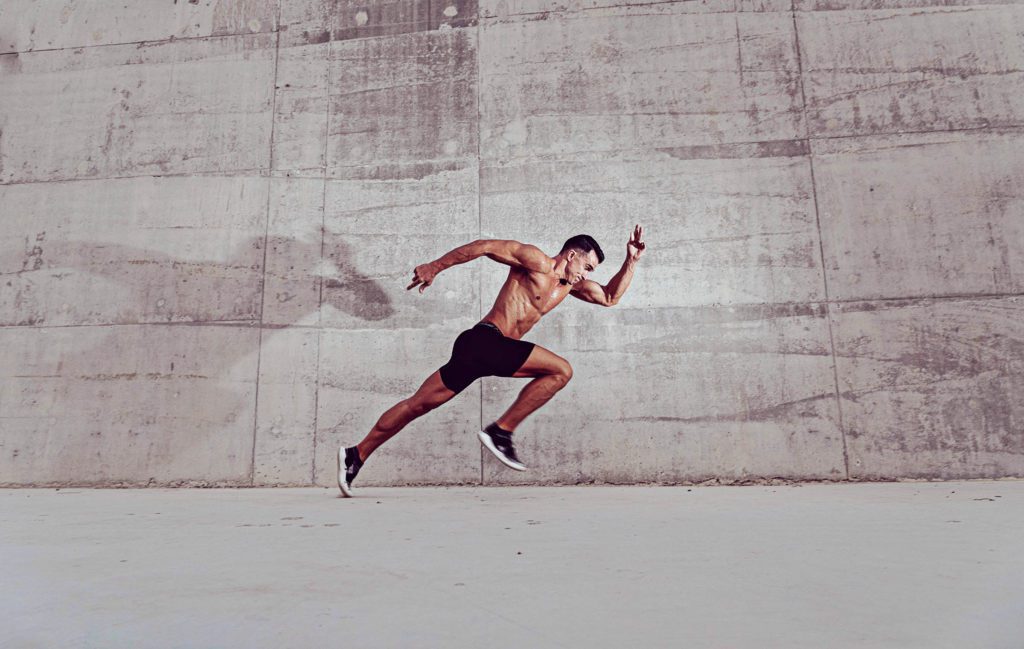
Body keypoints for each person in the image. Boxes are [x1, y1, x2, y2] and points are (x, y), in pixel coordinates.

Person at [337, 225, 646, 496]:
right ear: (572, 255)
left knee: (416, 405)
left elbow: (610, 297)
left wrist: (631, 261)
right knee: (561, 371)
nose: (586, 275)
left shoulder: (570, 287)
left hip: (485, 353)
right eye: (587, 267)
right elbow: (484, 247)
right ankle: (501, 431)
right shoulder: (536, 261)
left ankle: (356, 455)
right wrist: (435, 266)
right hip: (484, 340)